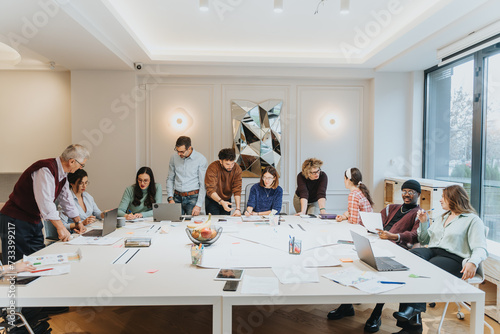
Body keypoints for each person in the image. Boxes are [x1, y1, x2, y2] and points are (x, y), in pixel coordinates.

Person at [327, 179, 423, 333]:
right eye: (404, 191)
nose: (407, 195)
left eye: (411, 192)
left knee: (381, 275)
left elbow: (415, 235)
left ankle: (376, 314)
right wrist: (369, 227)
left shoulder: (418, 214)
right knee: (352, 265)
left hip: (395, 250)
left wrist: (393, 236)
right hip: (377, 243)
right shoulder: (392, 208)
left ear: (418, 194)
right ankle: (347, 305)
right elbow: (376, 221)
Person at [392, 185, 487, 334]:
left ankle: (412, 318)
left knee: (426, 269)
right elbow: (424, 240)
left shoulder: (472, 220)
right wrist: (424, 222)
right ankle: (414, 320)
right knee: (410, 258)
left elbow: (480, 247)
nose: (440, 200)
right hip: (433, 250)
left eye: (443, 197)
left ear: (454, 199)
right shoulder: (442, 217)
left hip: (455, 258)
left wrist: (473, 261)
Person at [0, 144, 89, 263]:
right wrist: (61, 228)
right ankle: (13, 282)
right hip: (14, 220)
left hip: (33, 221)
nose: (81, 168)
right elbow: (46, 203)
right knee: (16, 264)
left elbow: (66, 199)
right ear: (72, 161)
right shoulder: (45, 169)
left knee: (38, 260)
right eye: (81, 165)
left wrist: (77, 221)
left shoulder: (62, 174)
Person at [166, 136, 208, 216]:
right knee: (174, 225)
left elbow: (203, 184)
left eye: (182, 151)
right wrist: (170, 198)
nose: (179, 154)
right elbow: (170, 179)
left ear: (189, 148)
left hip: (193, 198)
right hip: (176, 198)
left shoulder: (201, 159)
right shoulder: (174, 157)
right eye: (177, 151)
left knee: (191, 225)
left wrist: (198, 205)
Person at [205, 148, 242, 216]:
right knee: (214, 222)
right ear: (221, 161)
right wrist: (221, 202)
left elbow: (237, 190)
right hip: (213, 200)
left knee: (225, 222)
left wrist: (238, 209)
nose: (230, 166)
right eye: (227, 164)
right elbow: (210, 189)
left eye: (232, 163)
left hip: (227, 199)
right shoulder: (213, 167)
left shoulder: (237, 168)